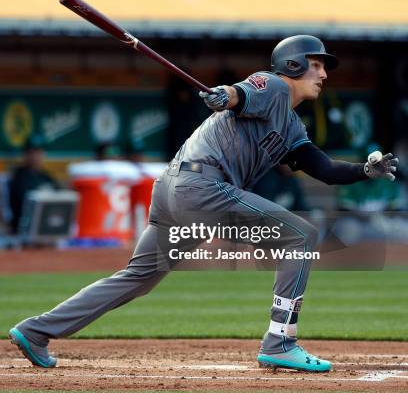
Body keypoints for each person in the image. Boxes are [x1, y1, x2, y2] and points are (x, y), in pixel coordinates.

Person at [9, 36, 398, 372]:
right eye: (316, 65)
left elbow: (325, 169)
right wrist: (224, 95)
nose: (324, 74)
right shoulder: (275, 85)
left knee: (138, 278)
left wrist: (366, 169)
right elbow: (242, 91)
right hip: (200, 186)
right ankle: (280, 342)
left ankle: (36, 330)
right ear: (293, 65)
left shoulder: (293, 126)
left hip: (177, 191)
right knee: (300, 235)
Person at [8, 136, 59, 234]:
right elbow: (23, 206)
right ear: (25, 154)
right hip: (22, 231)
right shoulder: (18, 177)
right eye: (31, 152)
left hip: (47, 229)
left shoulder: (47, 177)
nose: (35, 156)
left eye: (38, 152)